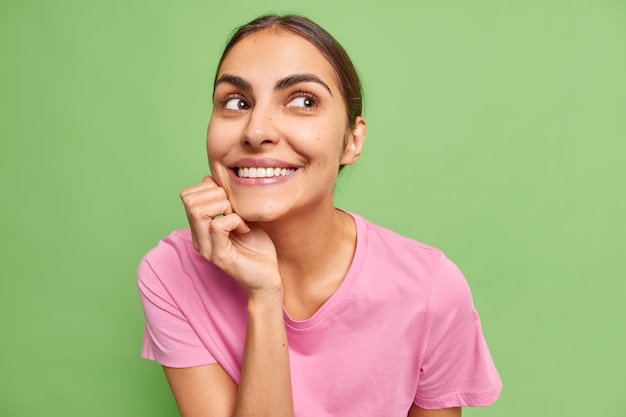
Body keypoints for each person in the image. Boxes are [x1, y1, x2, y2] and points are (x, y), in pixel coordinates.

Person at [138, 14, 502, 417]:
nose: (256, 131)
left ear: (352, 140)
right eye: (236, 102)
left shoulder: (430, 290)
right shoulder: (171, 273)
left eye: (303, 101)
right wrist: (264, 296)